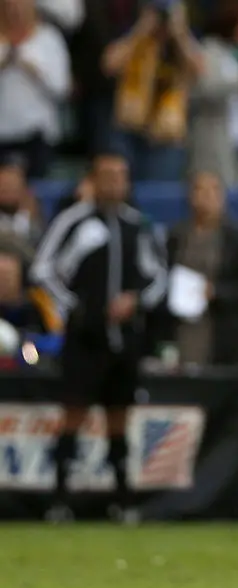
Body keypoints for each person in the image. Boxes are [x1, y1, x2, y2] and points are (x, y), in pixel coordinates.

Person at [29, 152, 166, 522]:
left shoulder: (138, 226)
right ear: (92, 180)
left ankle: (123, 499)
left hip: (125, 338)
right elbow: (43, 269)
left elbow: (158, 277)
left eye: (120, 176)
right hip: (85, 338)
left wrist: (135, 301)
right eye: (106, 176)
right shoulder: (74, 222)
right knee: (73, 412)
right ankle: (60, 499)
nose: (114, 184)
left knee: (120, 416)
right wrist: (77, 307)